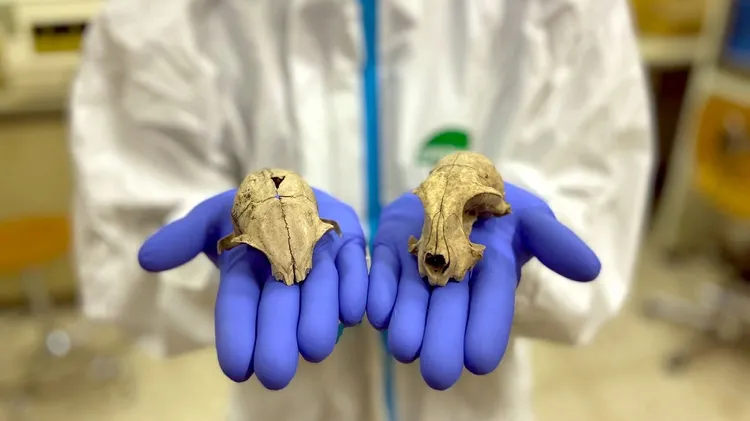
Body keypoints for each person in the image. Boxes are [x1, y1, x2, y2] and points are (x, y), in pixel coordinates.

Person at [69, 0, 654, 420]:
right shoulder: (163, 16)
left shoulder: (565, 11)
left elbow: (600, 190)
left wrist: (519, 256)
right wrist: (218, 258)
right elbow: (124, 228)